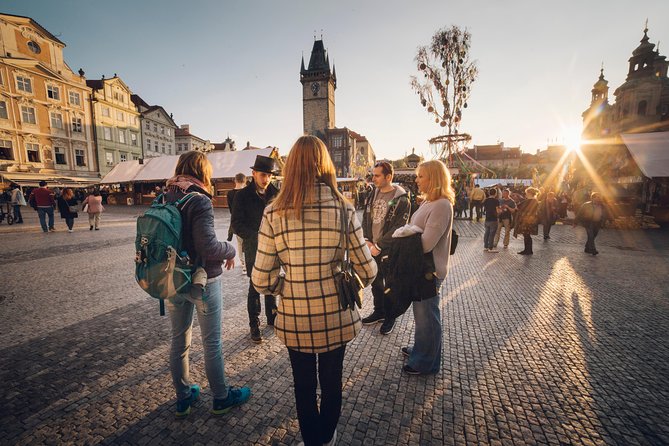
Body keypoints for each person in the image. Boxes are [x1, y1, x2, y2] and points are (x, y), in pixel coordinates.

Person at [252, 135, 377, 446]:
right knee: (332, 384)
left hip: (295, 316)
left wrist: (287, 285)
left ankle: (313, 440)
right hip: (336, 315)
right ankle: (326, 438)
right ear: (325, 165)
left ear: (291, 166)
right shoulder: (344, 208)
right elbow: (368, 271)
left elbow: (261, 280)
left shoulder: (273, 212)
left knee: (303, 386)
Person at [399, 160, 454, 376]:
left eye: (421, 176)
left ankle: (426, 362)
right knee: (421, 314)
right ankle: (422, 349)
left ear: (434, 178)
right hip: (420, 268)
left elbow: (426, 242)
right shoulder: (428, 202)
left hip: (429, 270)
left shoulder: (441, 205)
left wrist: (401, 242)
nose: (416, 179)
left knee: (427, 316)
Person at [231, 155, 280, 343]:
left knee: (272, 282)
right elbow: (236, 224)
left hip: (273, 249)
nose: (266, 179)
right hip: (253, 248)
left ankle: (272, 317)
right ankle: (254, 324)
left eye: (269, 175)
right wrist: (255, 236)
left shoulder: (276, 194)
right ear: (253, 174)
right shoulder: (242, 195)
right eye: (262, 175)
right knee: (255, 286)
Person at [360, 161, 410, 334]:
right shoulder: (372, 193)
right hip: (371, 246)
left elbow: (399, 226)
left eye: (377, 175)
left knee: (390, 284)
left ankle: (390, 316)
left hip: (389, 249)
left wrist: (380, 245)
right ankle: (379, 311)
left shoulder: (401, 199)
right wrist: (367, 239)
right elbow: (366, 218)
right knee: (375, 282)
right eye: (373, 174)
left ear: (388, 177)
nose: (373, 178)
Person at [226, 172, 247, 273]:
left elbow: (230, 209)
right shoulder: (248, 192)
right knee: (248, 242)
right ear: (245, 181)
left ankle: (243, 264)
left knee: (240, 243)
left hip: (236, 221)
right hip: (248, 221)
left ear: (235, 180)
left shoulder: (230, 194)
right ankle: (247, 263)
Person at [513, 187, 540, 255]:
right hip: (531, 220)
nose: (526, 194)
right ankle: (528, 250)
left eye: (526, 193)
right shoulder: (535, 201)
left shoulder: (529, 201)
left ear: (530, 193)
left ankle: (527, 250)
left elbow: (518, 207)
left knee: (526, 235)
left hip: (526, 221)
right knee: (527, 235)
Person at [482, 188, 501, 252]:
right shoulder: (496, 201)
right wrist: (501, 211)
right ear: (495, 194)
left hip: (487, 218)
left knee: (486, 233)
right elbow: (498, 210)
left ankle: (485, 246)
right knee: (492, 234)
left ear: (489, 193)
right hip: (494, 219)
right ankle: (490, 247)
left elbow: (485, 208)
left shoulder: (486, 200)